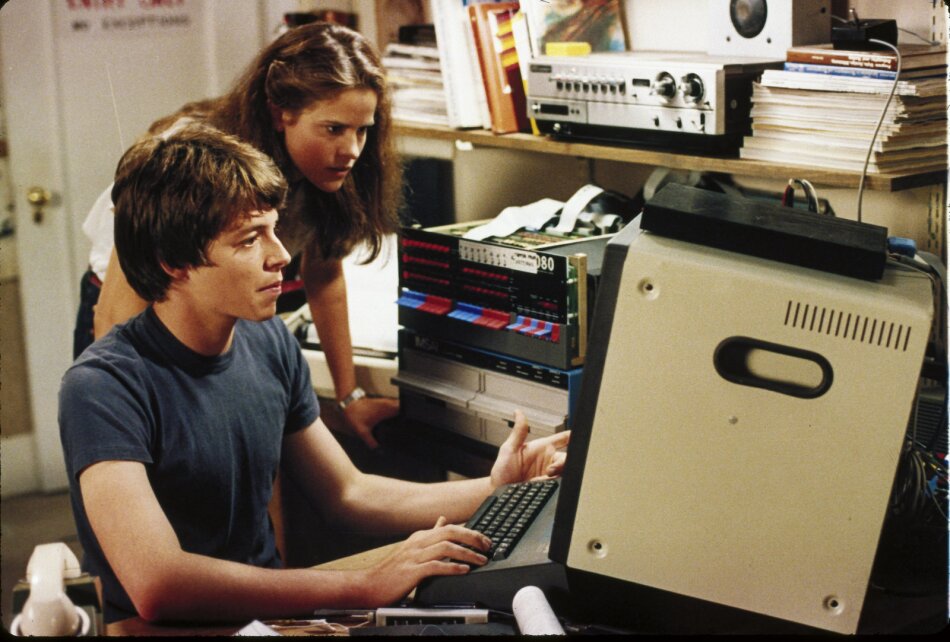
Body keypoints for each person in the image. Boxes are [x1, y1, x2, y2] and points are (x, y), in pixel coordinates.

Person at [59, 125, 570, 625]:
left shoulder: (268, 341)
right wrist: (365, 584)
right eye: (249, 240)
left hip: (264, 620)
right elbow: (159, 584)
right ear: (174, 261)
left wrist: (497, 486)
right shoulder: (102, 386)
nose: (281, 255)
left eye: (274, 229)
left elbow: (348, 494)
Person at [74, 21, 401, 448]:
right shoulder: (191, 158)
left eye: (363, 130)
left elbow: (324, 277)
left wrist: (348, 396)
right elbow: (116, 316)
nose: (353, 150)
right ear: (280, 114)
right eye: (334, 129)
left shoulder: (330, 169)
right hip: (138, 309)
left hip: (218, 310)